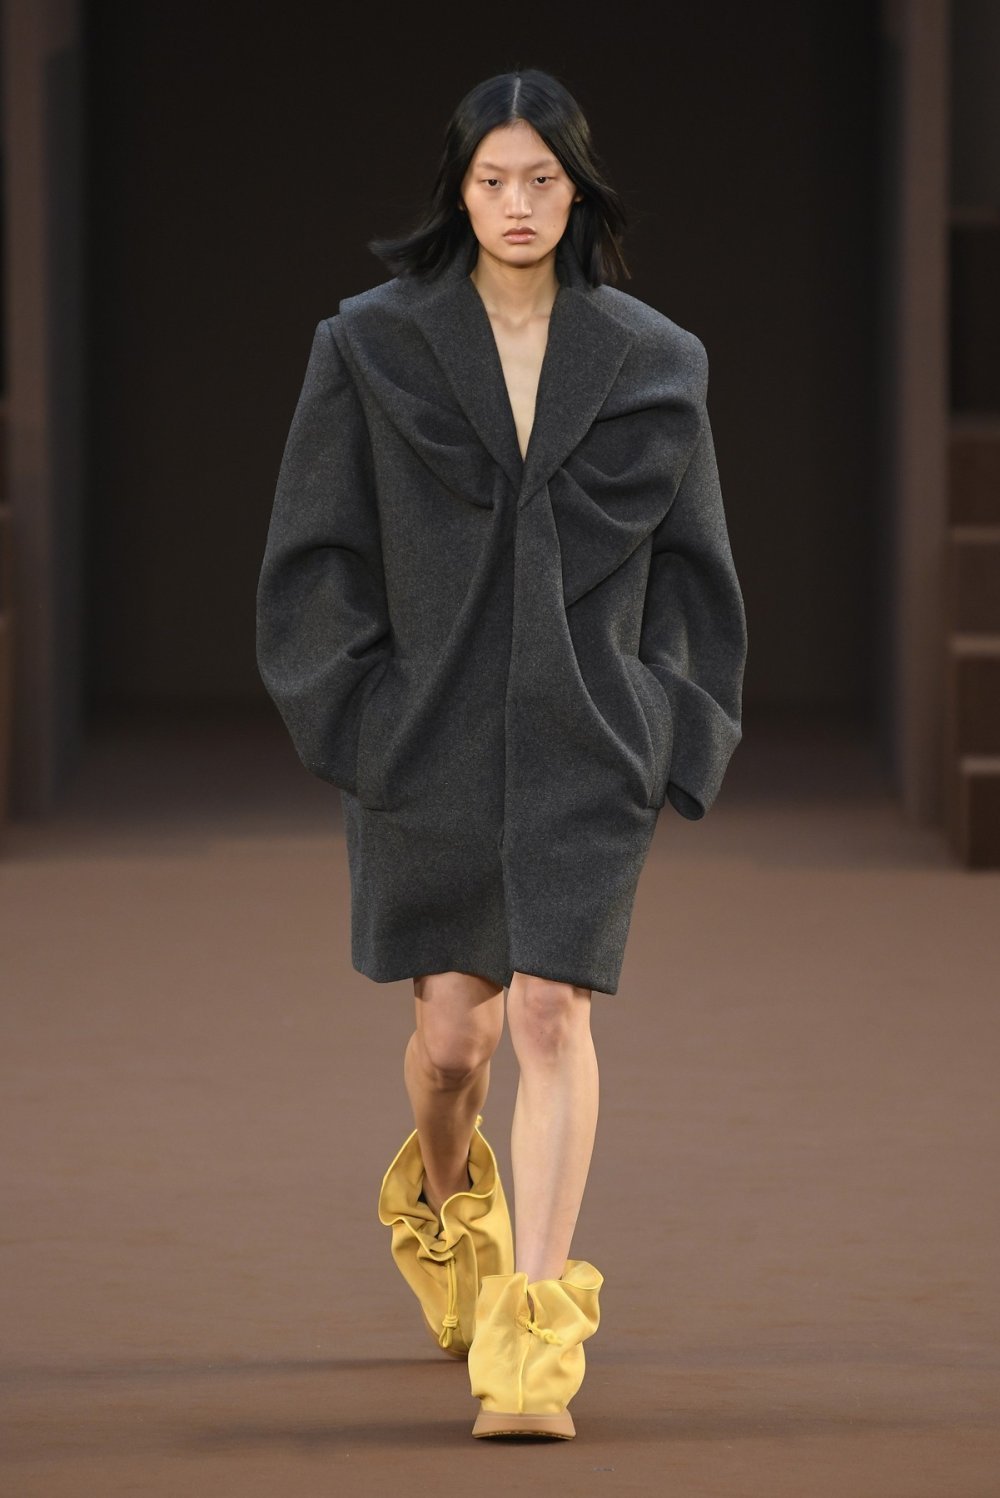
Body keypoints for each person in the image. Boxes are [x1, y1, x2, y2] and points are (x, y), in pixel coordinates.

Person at [255, 66, 748, 1441]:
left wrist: (666, 722)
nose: (518, 202)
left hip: (588, 739)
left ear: (576, 191)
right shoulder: (370, 344)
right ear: (459, 191)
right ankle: (442, 1190)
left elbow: (698, 569)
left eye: (542, 178)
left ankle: (532, 1336)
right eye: (493, 179)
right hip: (431, 740)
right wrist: (359, 718)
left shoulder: (656, 360)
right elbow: (311, 553)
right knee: (455, 1039)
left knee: (550, 1014)